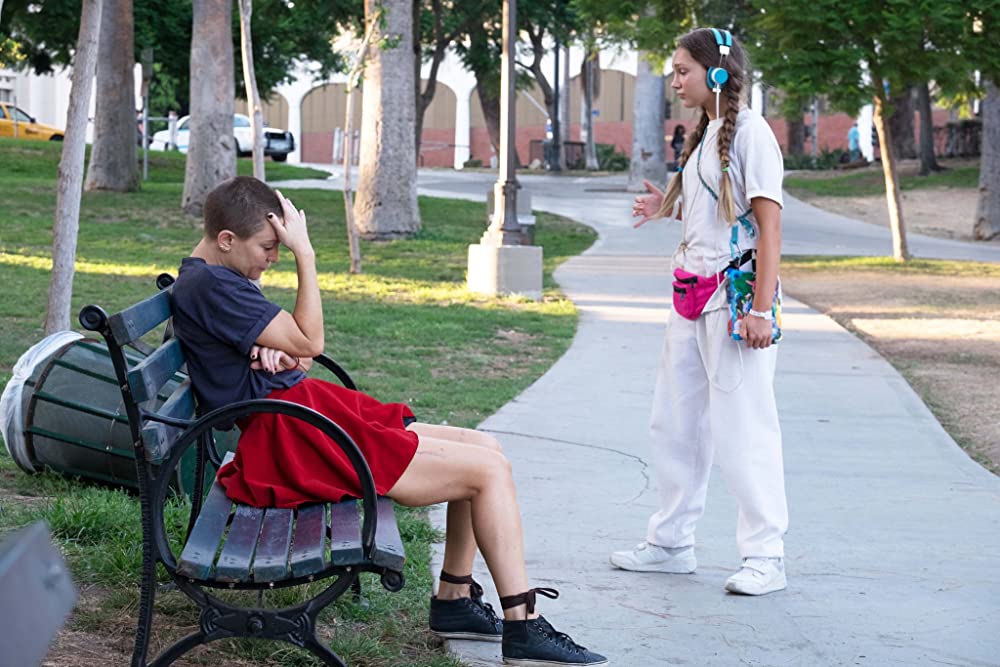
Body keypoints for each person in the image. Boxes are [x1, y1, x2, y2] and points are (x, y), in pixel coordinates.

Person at [169, 177, 608, 666]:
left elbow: (299, 353)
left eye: (281, 248)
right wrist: (306, 258)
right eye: (269, 247)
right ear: (226, 240)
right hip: (292, 437)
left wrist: (277, 349)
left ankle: (455, 601)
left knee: (486, 449)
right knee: (486, 474)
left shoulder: (213, 278)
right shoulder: (212, 284)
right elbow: (312, 342)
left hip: (303, 415)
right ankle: (521, 624)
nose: (274, 258)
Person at [612, 27, 789, 596]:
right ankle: (670, 543)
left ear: (716, 72)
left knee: (743, 429)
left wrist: (760, 311)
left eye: (683, 70)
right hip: (688, 296)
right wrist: (665, 206)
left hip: (734, 303)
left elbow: (769, 227)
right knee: (676, 424)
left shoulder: (751, 133)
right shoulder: (707, 132)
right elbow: (714, 208)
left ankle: (766, 556)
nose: (675, 80)